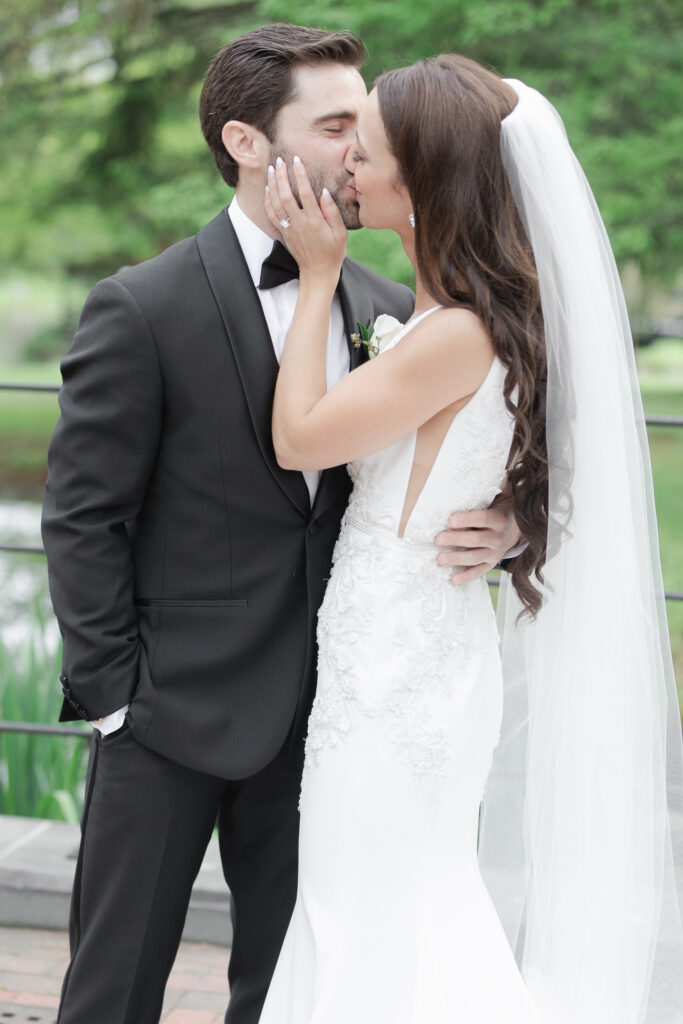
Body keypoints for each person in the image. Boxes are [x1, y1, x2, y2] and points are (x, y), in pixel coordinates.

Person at [40, 27, 520, 1024]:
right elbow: (83, 517)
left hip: (335, 714)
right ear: (248, 142)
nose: (356, 150)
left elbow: (468, 438)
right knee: (110, 990)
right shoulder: (140, 306)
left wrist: (508, 520)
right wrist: (116, 697)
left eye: (364, 128)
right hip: (167, 713)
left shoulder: (392, 306)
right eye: (335, 123)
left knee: (291, 988)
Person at [256, 55, 683, 1023]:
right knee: (385, 901)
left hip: (394, 673)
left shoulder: (456, 331)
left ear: (425, 178)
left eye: (363, 156)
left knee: (370, 907)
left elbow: (298, 439)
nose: (346, 175)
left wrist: (319, 276)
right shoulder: (471, 315)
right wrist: (510, 517)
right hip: (409, 651)